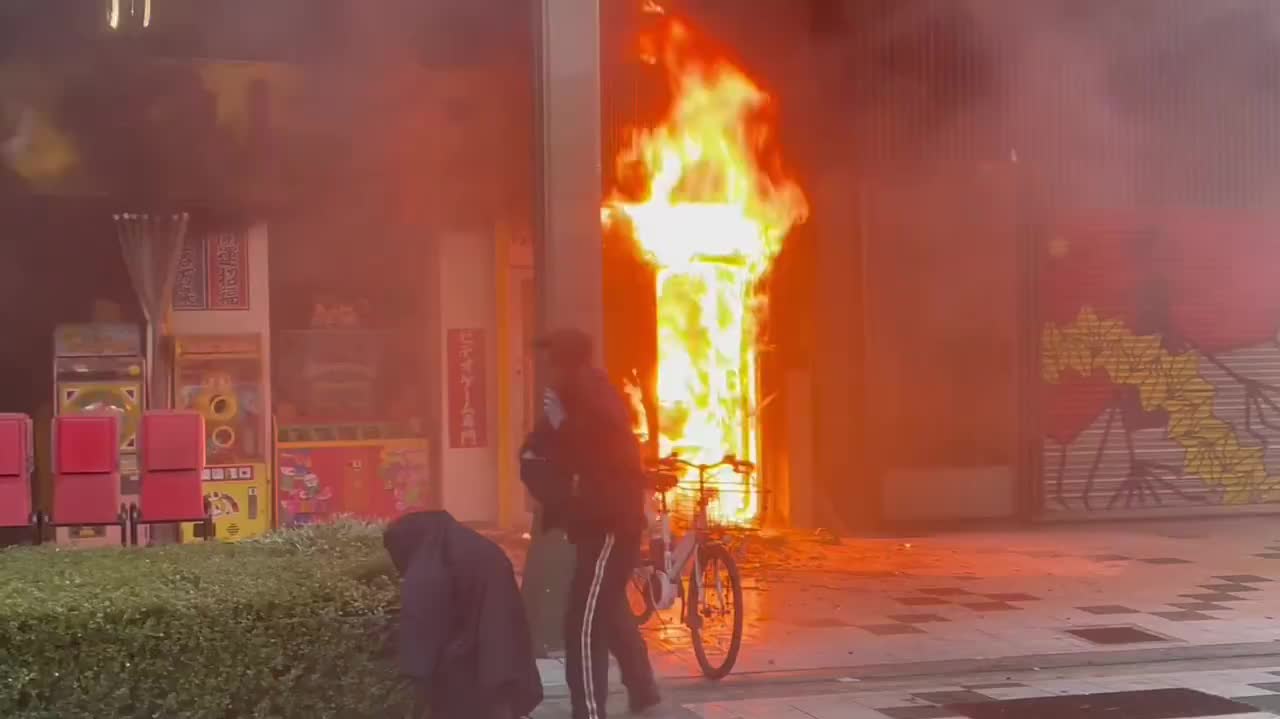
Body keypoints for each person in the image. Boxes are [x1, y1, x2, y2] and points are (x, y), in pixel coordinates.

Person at [523, 328, 660, 719]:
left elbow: (602, 455)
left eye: (550, 360)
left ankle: (588, 712)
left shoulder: (591, 395)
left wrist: (562, 428)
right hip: (594, 525)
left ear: (564, 361)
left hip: (609, 526)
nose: (545, 370)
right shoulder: (573, 397)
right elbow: (539, 448)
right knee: (608, 608)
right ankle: (644, 691)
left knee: (582, 623)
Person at [384, 511, 543, 719]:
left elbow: (421, 624)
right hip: (497, 667)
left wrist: (415, 678)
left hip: (458, 681)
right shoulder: (474, 547)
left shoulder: (427, 561)